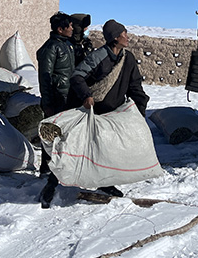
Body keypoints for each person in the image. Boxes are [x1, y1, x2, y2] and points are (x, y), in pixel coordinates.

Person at [39, 19, 149, 206]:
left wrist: (140, 108)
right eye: (124, 34)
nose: (127, 37)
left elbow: (134, 85)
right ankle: (51, 184)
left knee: (106, 150)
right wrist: (86, 95)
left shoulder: (127, 59)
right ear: (115, 38)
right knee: (73, 148)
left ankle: (105, 183)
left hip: (112, 113)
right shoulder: (98, 57)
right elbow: (77, 76)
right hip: (89, 110)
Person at [36, 12, 75, 176]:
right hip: (56, 97)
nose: (72, 29)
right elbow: (45, 77)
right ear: (60, 29)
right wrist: (48, 103)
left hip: (66, 96)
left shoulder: (66, 45)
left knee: (63, 133)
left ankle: (60, 166)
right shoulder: (51, 48)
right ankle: (46, 167)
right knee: (51, 134)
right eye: (70, 26)